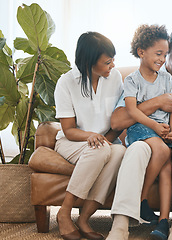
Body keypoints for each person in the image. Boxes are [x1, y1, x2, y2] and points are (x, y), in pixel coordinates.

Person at [107, 27, 172, 240]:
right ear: (169, 51)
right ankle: (120, 225)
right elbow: (118, 121)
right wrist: (155, 103)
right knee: (137, 149)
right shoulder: (135, 80)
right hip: (150, 139)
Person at [54, 32, 126, 240]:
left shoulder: (115, 78)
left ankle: (84, 218)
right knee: (100, 149)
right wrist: (91, 137)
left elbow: (119, 118)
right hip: (71, 142)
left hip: (104, 142)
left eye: (113, 60)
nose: (112, 66)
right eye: (107, 62)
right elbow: (68, 130)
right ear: (89, 62)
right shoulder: (66, 82)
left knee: (120, 151)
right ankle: (64, 213)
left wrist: (106, 139)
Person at [123, 24, 172, 239]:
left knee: (167, 168)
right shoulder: (132, 80)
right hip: (140, 128)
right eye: (158, 54)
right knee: (163, 153)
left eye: (165, 54)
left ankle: (163, 222)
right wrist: (154, 126)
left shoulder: (166, 79)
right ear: (141, 52)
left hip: (162, 132)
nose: (163, 59)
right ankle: (139, 199)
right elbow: (131, 111)